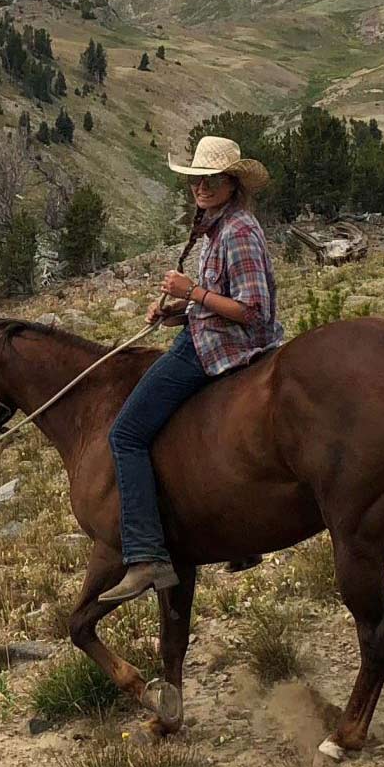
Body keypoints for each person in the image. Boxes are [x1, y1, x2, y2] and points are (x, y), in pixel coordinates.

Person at [99, 135, 285, 602]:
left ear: (231, 184)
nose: (200, 187)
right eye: (194, 181)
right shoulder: (219, 226)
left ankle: (144, 555)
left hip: (220, 347)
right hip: (210, 332)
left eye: (210, 180)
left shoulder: (238, 232)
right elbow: (221, 302)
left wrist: (191, 294)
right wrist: (176, 313)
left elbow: (252, 310)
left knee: (126, 435)